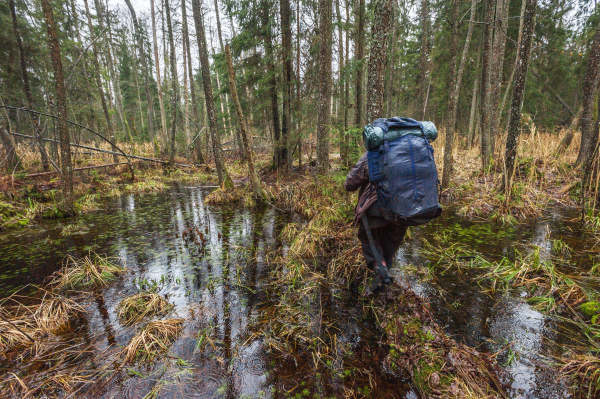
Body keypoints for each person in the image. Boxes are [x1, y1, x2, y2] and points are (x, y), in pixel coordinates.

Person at [345, 152, 408, 293]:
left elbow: (350, 183)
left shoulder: (374, 152)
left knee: (370, 240)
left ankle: (380, 270)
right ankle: (382, 285)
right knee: (389, 245)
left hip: (376, 209)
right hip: (405, 210)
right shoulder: (415, 153)